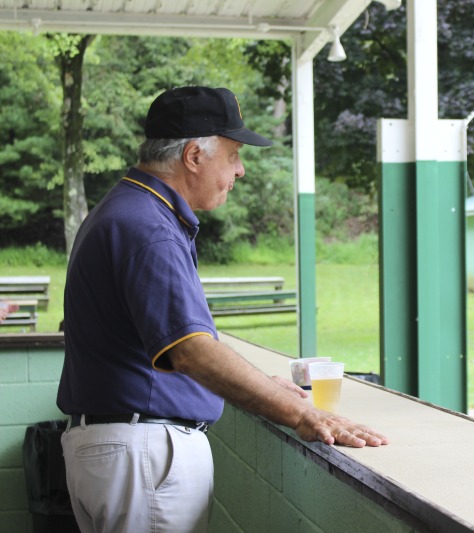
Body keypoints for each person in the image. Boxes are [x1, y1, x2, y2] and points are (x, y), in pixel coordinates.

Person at [57, 86, 389, 532]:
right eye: (233, 155)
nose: (241, 170)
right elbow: (193, 350)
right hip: (142, 451)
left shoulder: (127, 208)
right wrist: (305, 414)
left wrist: (259, 382)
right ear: (194, 155)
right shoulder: (148, 226)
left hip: (121, 448)